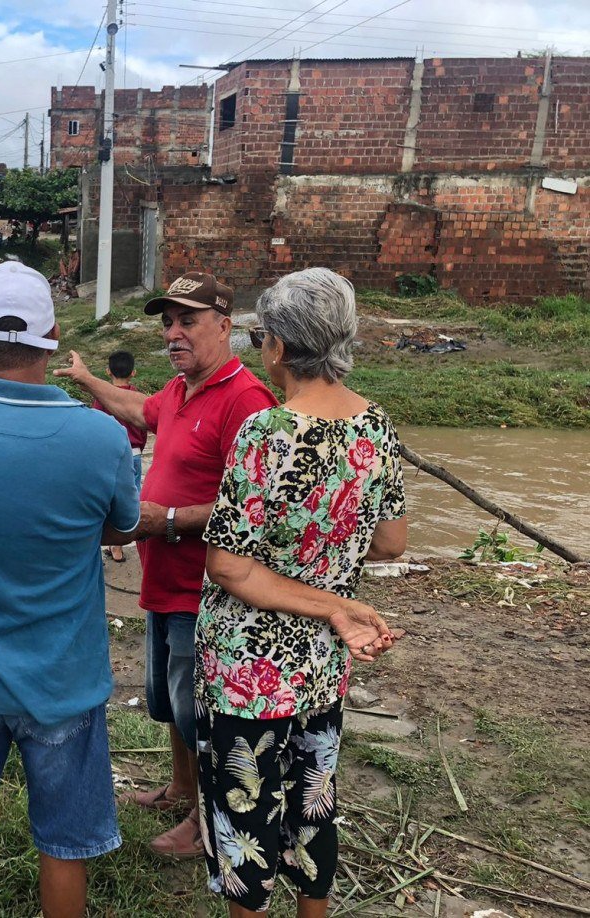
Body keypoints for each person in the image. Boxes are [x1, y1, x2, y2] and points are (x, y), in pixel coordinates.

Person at [0, 261, 141, 918]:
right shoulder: (100, 437)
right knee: (64, 844)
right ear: (53, 339)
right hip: (62, 679)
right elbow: (120, 525)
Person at [195, 267, 407, 917]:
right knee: (313, 805)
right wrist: (331, 567)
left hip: (247, 672)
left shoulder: (268, 434)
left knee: (244, 823)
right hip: (320, 665)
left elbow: (229, 567)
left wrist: (314, 586)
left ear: (280, 347)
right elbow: (390, 543)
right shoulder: (375, 426)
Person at [55, 272, 276, 859]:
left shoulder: (246, 400)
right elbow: (138, 408)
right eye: (167, 323)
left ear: (226, 326)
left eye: (188, 322)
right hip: (161, 579)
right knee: (168, 702)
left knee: (196, 707)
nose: (173, 334)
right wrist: (86, 380)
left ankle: (209, 822)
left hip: (203, 586)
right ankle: (183, 789)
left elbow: (251, 507)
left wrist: (167, 520)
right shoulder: (180, 391)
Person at [93, 350, 147, 563]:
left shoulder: (102, 398)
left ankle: (106, 542)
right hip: (133, 455)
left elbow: (96, 427)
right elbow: (144, 426)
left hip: (108, 456)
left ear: (108, 371)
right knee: (131, 498)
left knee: (106, 498)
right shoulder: (137, 397)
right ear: (133, 372)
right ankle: (120, 545)